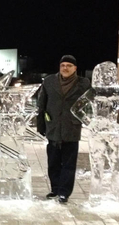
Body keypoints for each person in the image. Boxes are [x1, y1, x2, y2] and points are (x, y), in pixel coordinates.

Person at [71, 61, 119, 205]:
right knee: (97, 165)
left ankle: (118, 195)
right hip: (98, 134)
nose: (106, 77)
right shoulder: (93, 92)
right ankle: (96, 196)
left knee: (118, 165)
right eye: (103, 74)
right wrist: (90, 123)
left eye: (108, 74)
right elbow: (76, 108)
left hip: (112, 133)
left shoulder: (117, 93)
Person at [37, 55, 90, 203]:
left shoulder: (83, 83)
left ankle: (64, 193)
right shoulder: (49, 81)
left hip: (71, 128)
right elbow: (42, 104)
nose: (65, 68)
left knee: (68, 164)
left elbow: (95, 97)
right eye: (63, 65)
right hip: (53, 127)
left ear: (75, 68)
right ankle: (55, 189)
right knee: (53, 162)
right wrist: (41, 126)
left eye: (69, 65)